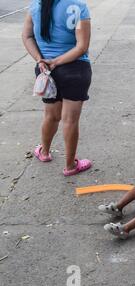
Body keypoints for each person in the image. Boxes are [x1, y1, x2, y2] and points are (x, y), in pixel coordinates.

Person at [22, 0, 92, 176]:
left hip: (45, 70)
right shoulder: (78, 6)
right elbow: (82, 46)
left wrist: (40, 59)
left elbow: (27, 36)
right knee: (70, 120)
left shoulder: (35, 5)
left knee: (51, 116)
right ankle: (70, 166)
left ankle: (44, 152)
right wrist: (57, 62)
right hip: (75, 69)